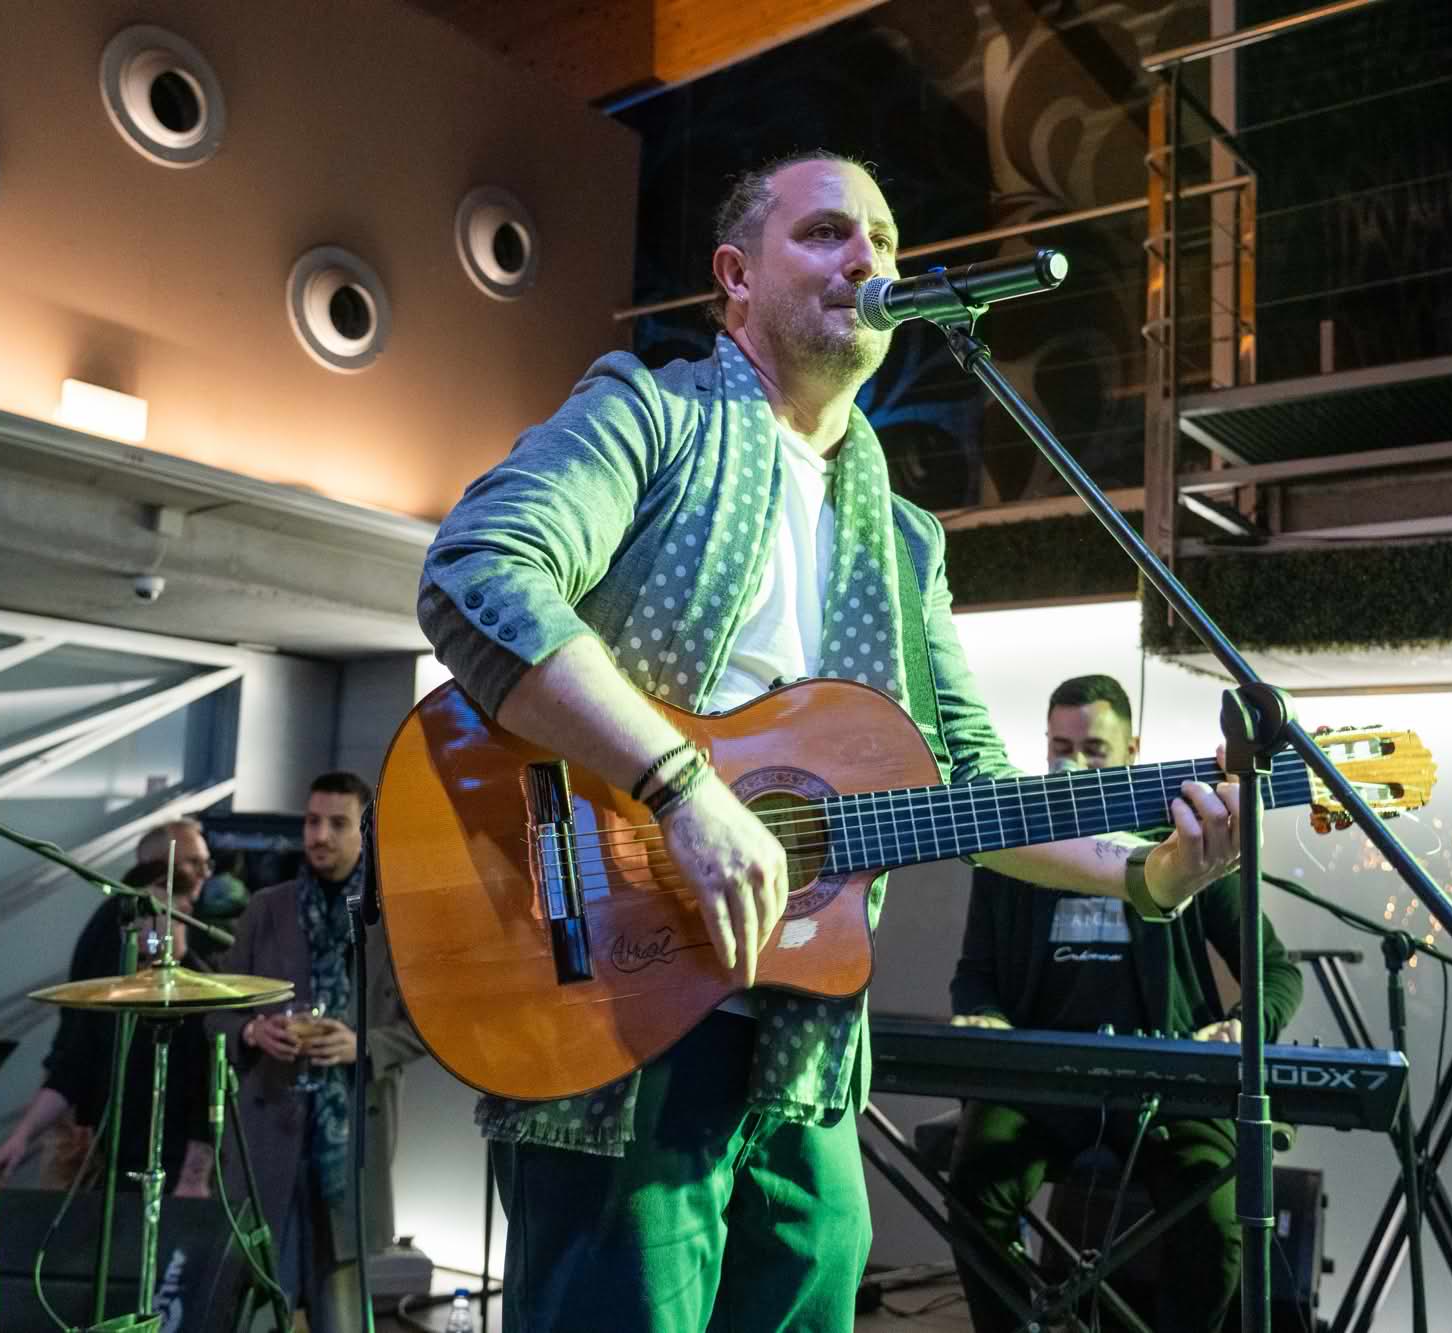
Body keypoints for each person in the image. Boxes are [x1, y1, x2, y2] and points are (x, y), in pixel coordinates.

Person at [412, 151, 1242, 1333]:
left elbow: (963, 785)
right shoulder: (650, 413)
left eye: (886, 240)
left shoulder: (905, 540)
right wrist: (682, 789)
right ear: (734, 276)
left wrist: (1149, 877)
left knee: (818, 1272)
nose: (868, 257)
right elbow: (478, 572)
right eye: (826, 233)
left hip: (801, 1039)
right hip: (611, 999)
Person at [947, 674, 1302, 1333]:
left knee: (1218, 1217)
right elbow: (976, 974)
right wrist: (984, 1017)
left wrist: (1243, 1024)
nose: (1075, 767)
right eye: (1061, 748)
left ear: (1133, 750)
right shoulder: (1017, 848)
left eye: (1095, 750)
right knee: (974, 1192)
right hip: (1041, 1080)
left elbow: (1276, 971)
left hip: (1167, 1081)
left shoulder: (1184, 841)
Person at [209, 771, 426, 1333]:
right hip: (268, 1132)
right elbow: (214, 1010)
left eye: (337, 823)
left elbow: (429, 1025)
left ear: (365, 832)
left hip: (352, 1141)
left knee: (343, 1312)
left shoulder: (395, 919)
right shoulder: (266, 910)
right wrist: (252, 1032)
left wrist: (364, 1045)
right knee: (258, 1302)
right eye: (312, 821)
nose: (320, 835)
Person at [0, 825, 219, 1197]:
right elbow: (75, 1060)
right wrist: (23, 1135)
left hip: (172, 1158)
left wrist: (194, 1175)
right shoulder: (112, 950)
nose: (204, 874)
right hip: (106, 1144)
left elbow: (209, 1086)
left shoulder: (202, 987)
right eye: (192, 863)